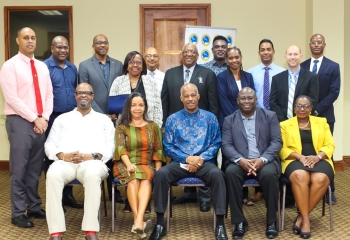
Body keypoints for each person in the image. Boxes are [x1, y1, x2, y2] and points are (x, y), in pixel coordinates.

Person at [149, 83, 227, 240]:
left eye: (193, 95)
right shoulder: (172, 119)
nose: (190, 98)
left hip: (204, 162)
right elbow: (168, 147)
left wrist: (200, 159)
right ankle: (159, 223)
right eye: (186, 96)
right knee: (162, 174)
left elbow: (216, 142)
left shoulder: (210, 118)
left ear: (198, 97)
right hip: (179, 162)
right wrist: (187, 158)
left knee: (218, 175)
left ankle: (219, 224)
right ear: (181, 98)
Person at [45, 83, 114, 240]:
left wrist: (90, 156)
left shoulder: (103, 120)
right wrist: (63, 156)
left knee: (92, 176)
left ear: (92, 96)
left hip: (93, 163)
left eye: (87, 92)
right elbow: (49, 145)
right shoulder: (62, 119)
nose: (83, 95)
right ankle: (55, 232)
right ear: (75, 96)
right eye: (80, 92)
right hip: (65, 163)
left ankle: (90, 231)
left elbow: (111, 148)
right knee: (52, 174)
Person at [0, 27, 53, 228]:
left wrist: (44, 118)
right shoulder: (10, 66)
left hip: (41, 122)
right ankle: (17, 212)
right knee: (19, 170)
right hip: (20, 122)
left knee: (34, 169)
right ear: (17, 40)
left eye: (33, 37)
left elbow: (48, 95)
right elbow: (11, 98)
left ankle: (34, 206)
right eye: (26, 38)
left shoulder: (42, 66)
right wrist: (34, 118)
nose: (30, 41)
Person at [161, 43, 219, 212]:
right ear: (182, 54)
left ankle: (204, 197)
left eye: (192, 52)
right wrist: (165, 124)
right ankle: (187, 194)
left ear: (197, 55)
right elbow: (164, 101)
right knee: (179, 160)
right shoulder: (170, 74)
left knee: (206, 163)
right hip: (177, 127)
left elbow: (213, 103)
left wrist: (212, 123)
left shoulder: (208, 74)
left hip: (203, 128)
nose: (189, 55)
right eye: (186, 52)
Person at [222, 87, 282, 239]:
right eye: (243, 98)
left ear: (256, 100)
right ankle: (239, 221)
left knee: (269, 175)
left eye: (250, 98)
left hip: (264, 160)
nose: (247, 101)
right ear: (237, 101)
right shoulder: (229, 119)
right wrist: (240, 160)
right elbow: (226, 145)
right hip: (240, 161)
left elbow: (276, 142)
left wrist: (262, 160)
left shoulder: (270, 116)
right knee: (230, 173)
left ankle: (271, 221)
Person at [279, 95, 335, 239]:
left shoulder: (321, 122)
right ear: (294, 107)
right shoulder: (285, 124)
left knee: (321, 178)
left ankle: (301, 218)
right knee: (301, 175)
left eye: (305, 106)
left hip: (319, 159)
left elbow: (330, 145)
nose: (302, 109)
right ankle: (306, 222)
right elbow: (280, 148)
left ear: (311, 108)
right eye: (298, 105)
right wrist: (300, 157)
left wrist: (318, 157)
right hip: (295, 159)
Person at [78, 34, 124, 204]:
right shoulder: (84, 66)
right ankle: (95, 187)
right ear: (93, 45)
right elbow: (85, 93)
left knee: (113, 151)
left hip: (116, 117)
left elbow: (121, 89)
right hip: (94, 116)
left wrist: (116, 113)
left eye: (105, 43)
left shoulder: (118, 65)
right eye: (99, 43)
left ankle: (114, 190)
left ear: (108, 45)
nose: (102, 45)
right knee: (97, 148)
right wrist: (101, 114)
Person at [113, 92, 165, 239]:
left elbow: (158, 149)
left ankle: (138, 221)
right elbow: (120, 148)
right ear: (128, 108)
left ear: (145, 107)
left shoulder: (153, 126)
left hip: (147, 163)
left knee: (147, 176)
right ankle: (139, 221)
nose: (137, 108)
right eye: (134, 105)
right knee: (134, 178)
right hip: (125, 163)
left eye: (141, 105)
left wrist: (159, 169)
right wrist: (129, 164)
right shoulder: (121, 127)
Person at [300, 34, 340, 205]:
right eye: (313, 42)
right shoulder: (302, 66)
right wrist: (305, 111)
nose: (316, 45)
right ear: (309, 45)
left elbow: (334, 92)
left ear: (324, 45)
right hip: (303, 118)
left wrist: (315, 110)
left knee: (325, 153)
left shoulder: (333, 66)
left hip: (324, 116)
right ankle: (304, 186)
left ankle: (329, 190)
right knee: (304, 150)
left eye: (319, 42)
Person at [43, 36, 82, 210]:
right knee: (53, 155)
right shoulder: (45, 67)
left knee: (71, 153)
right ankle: (56, 198)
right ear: (52, 48)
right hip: (51, 118)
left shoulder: (73, 68)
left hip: (70, 117)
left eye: (65, 47)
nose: (63, 50)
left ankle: (68, 195)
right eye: (59, 47)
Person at [247, 39, 284, 204]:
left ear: (273, 51)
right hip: (257, 117)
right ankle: (259, 189)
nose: (266, 52)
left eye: (269, 49)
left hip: (277, 117)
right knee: (258, 149)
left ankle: (275, 187)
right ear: (259, 52)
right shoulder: (251, 72)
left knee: (275, 149)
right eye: (262, 49)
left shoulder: (282, 72)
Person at [109, 51, 162, 127]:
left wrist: (157, 127)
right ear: (126, 66)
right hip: (124, 127)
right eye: (131, 62)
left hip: (148, 127)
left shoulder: (151, 82)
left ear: (143, 66)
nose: (135, 65)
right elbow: (112, 107)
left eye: (138, 63)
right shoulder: (118, 81)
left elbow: (158, 108)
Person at [270, 45, 319, 122]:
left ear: (301, 56)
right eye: (290, 54)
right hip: (282, 123)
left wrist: (299, 119)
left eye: (296, 54)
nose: (293, 57)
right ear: (285, 57)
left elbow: (313, 101)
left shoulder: (311, 77)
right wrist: (284, 121)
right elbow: (273, 102)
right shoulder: (276, 79)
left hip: (303, 122)